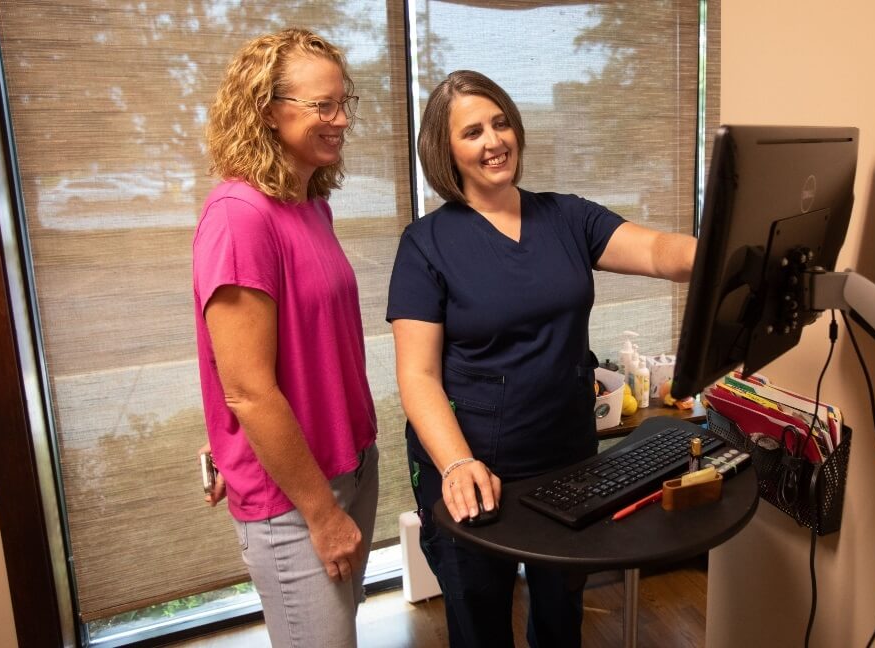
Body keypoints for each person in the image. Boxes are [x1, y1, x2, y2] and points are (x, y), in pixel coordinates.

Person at [386, 69, 697, 648]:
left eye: (501, 123)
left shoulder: (566, 217)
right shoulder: (426, 244)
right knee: (480, 625)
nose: (493, 140)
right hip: (475, 474)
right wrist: (456, 464)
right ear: (445, 150)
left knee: (561, 615)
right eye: (472, 131)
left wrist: (726, 252)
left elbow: (658, 251)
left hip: (568, 460)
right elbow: (418, 375)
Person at [193, 28, 378, 648]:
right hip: (297, 499)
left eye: (342, 101)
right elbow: (247, 387)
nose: (341, 118)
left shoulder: (307, 205)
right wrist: (322, 514)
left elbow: (267, 353)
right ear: (268, 111)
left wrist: (227, 427)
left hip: (346, 465)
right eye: (323, 105)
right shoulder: (239, 217)